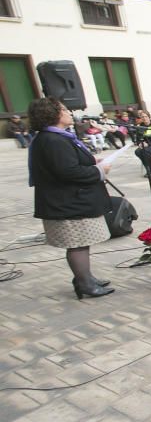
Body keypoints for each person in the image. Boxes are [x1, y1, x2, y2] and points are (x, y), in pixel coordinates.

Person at [27, 97, 114, 299]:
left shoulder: (57, 137)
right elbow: (68, 172)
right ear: (54, 114)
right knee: (77, 243)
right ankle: (84, 283)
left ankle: (85, 277)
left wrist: (92, 162)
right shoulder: (53, 140)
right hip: (67, 202)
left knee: (81, 241)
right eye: (65, 110)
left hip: (71, 199)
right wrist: (98, 170)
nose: (69, 113)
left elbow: (70, 163)